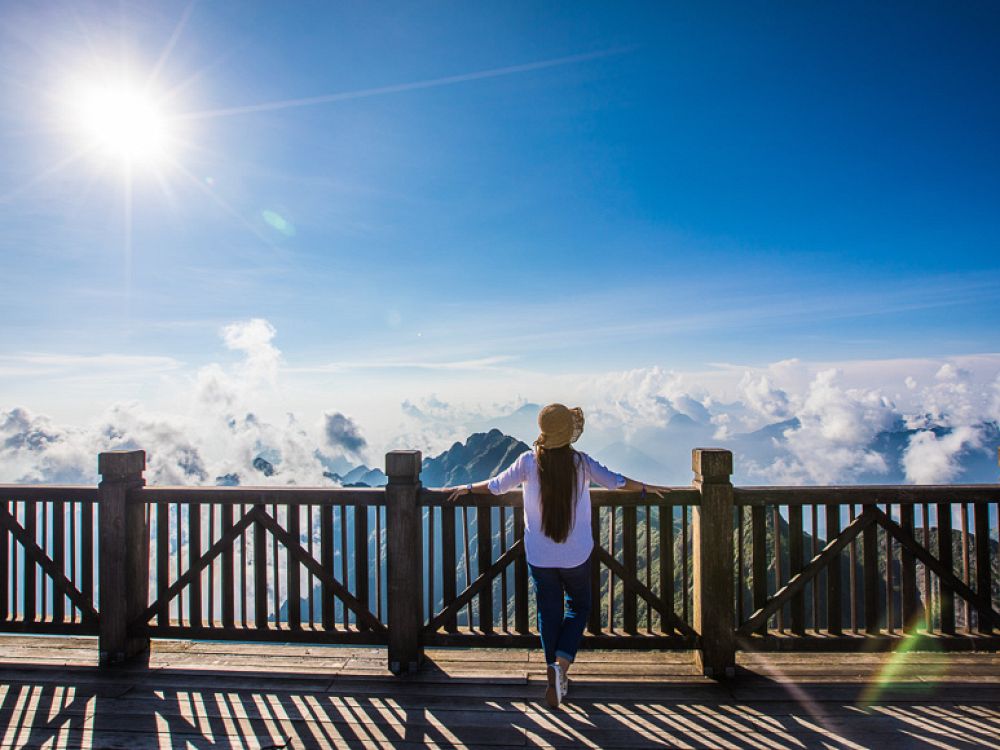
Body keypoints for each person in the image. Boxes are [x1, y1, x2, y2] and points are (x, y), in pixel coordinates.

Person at [445, 403, 667, 708]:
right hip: (576, 554)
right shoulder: (582, 464)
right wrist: (646, 488)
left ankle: (553, 670)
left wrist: (467, 487)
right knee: (579, 607)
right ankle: (560, 670)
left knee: (548, 614)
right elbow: (616, 481)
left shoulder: (527, 462)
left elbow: (496, 487)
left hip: (540, 555)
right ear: (569, 434)